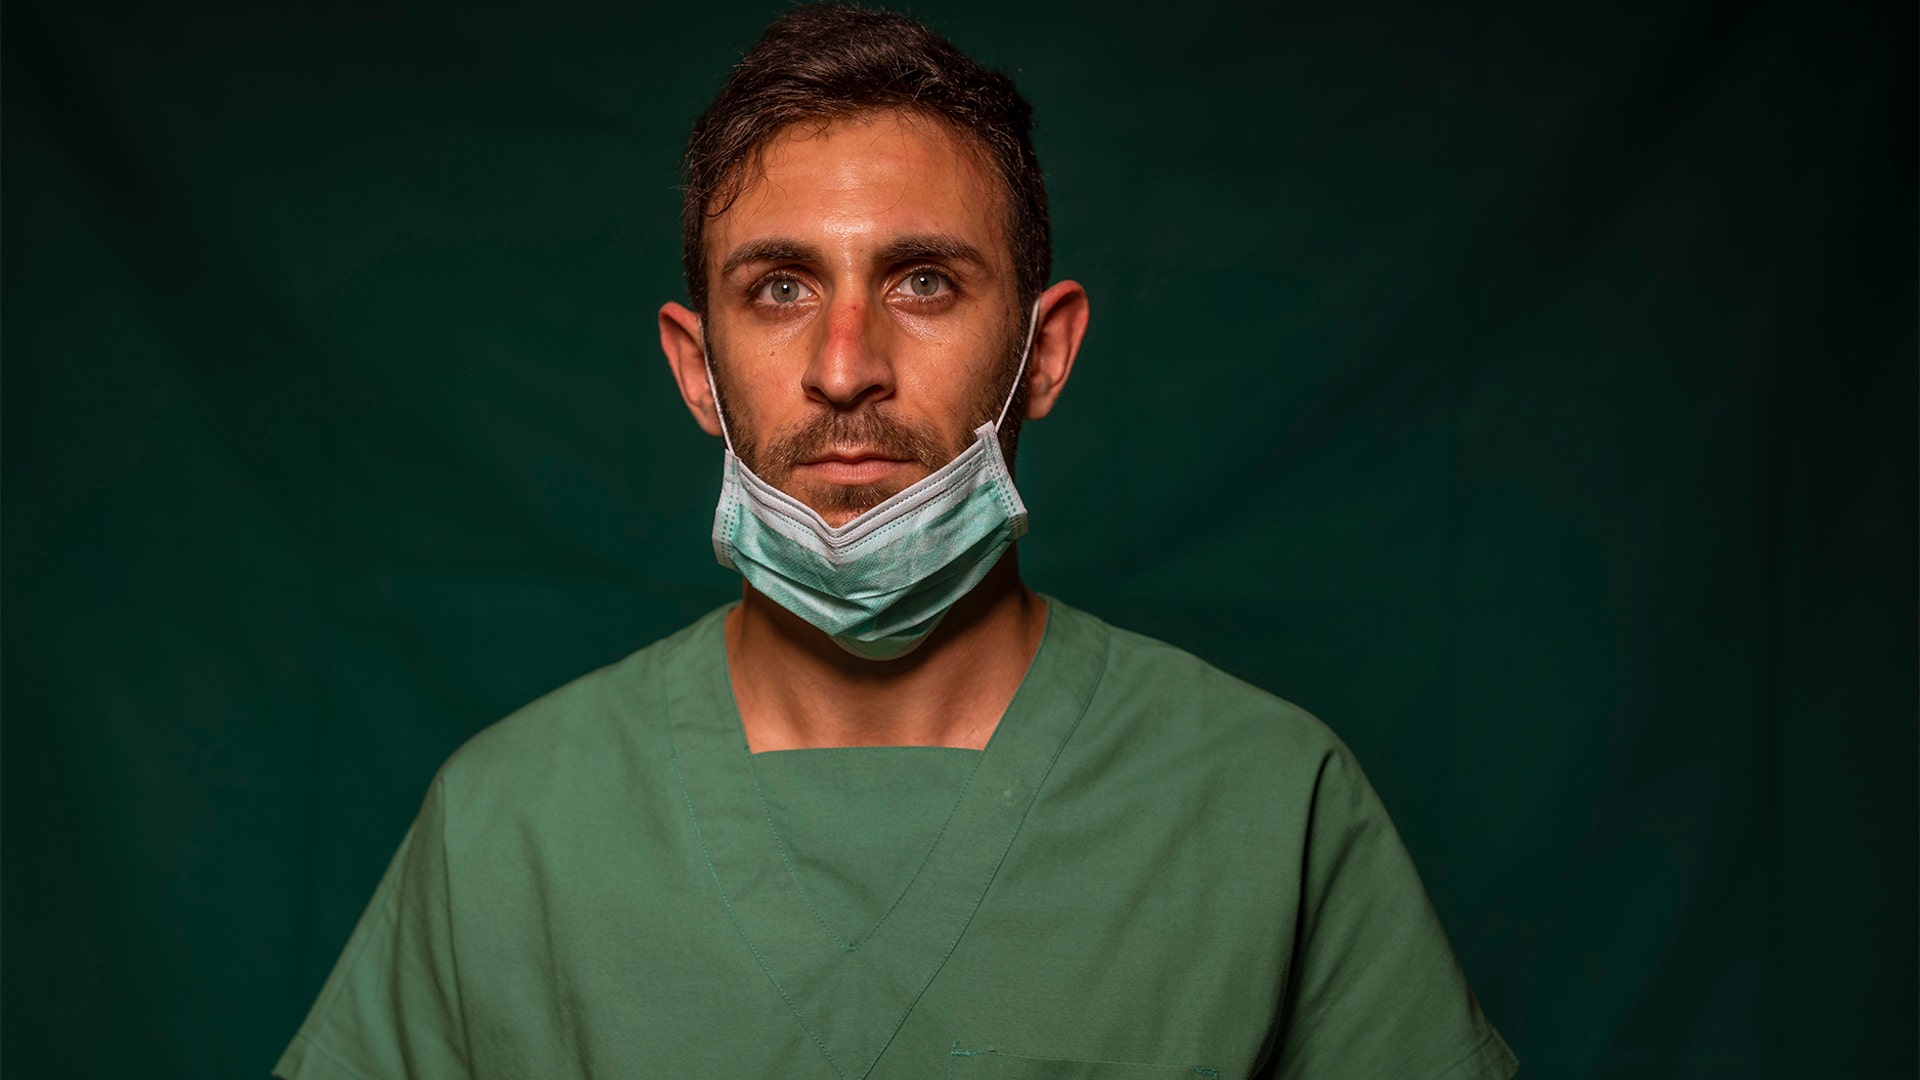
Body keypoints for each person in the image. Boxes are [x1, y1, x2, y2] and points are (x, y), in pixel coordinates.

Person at [274, 6, 1518, 1078]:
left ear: (1046, 353)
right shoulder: (510, 828)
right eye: (780, 288)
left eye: (923, 281)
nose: (844, 366)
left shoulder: (1263, 806)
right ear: (696, 371)